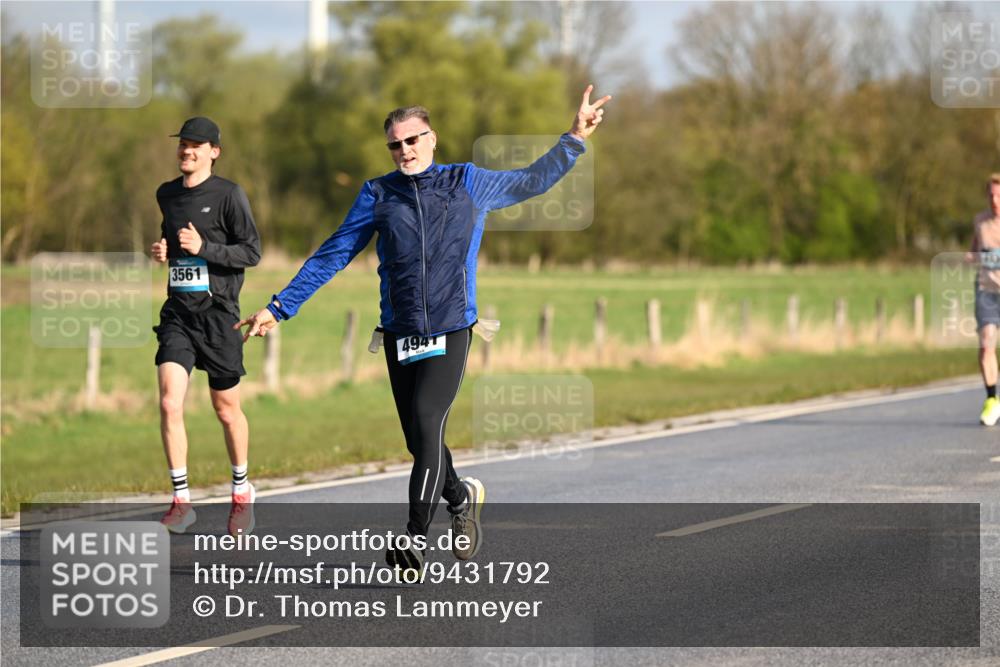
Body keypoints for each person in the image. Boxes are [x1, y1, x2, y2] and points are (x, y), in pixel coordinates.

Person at [237, 86, 611, 571]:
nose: (405, 150)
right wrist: (279, 306)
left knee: (429, 421)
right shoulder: (377, 193)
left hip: (453, 325)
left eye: (413, 140)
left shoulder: (467, 182)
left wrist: (574, 137)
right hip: (400, 332)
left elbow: (530, 181)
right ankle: (460, 499)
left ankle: (414, 537)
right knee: (419, 440)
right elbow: (333, 253)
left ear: (432, 139)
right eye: (395, 144)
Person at [150, 117, 262, 535]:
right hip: (179, 313)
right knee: (168, 402)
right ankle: (181, 500)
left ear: (214, 151)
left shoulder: (229, 194)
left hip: (219, 316)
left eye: (196, 145)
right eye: (183, 144)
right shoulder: (167, 194)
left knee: (226, 409)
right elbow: (169, 237)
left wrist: (206, 249)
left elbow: (251, 252)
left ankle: (241, 491)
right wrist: (161, 249)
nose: (187, 150)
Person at [968, 173, 1000, 426]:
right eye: (990, 194)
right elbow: (975, 248)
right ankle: (992, 400)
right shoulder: (980, 221)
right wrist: (970, 257)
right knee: (986, 345)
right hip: (986, 291)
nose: (994, 199)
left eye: (998, 194)